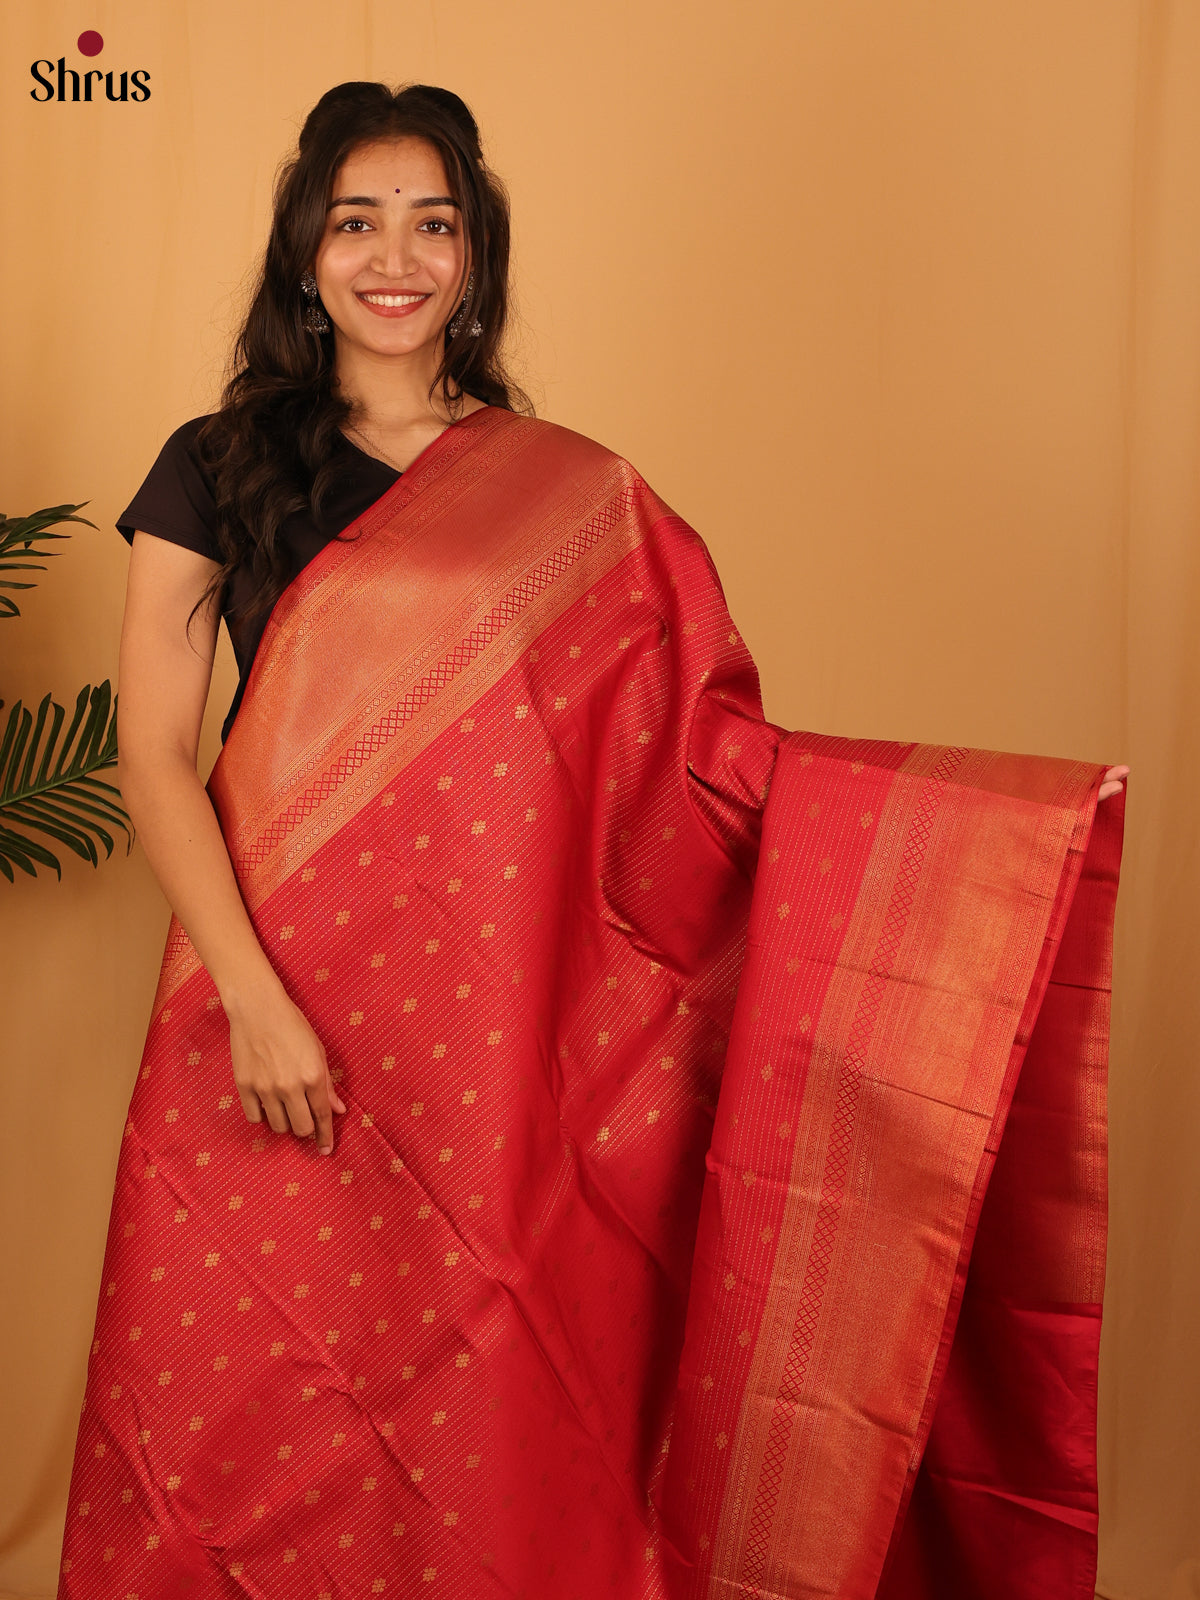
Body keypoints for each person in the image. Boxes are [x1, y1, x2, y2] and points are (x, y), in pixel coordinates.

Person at [56, 81, 1127, 1600]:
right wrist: (253, 995)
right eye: (356, 222)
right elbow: (153, 754)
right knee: (247, 1389)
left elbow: (691, 763)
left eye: (434, 224)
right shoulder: (213, 466)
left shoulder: (562, 494)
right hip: (260, 994)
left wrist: (979, 833)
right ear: (304, 255)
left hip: (492, 1033)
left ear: (476, 260)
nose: (395, 258)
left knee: (461, 1388)